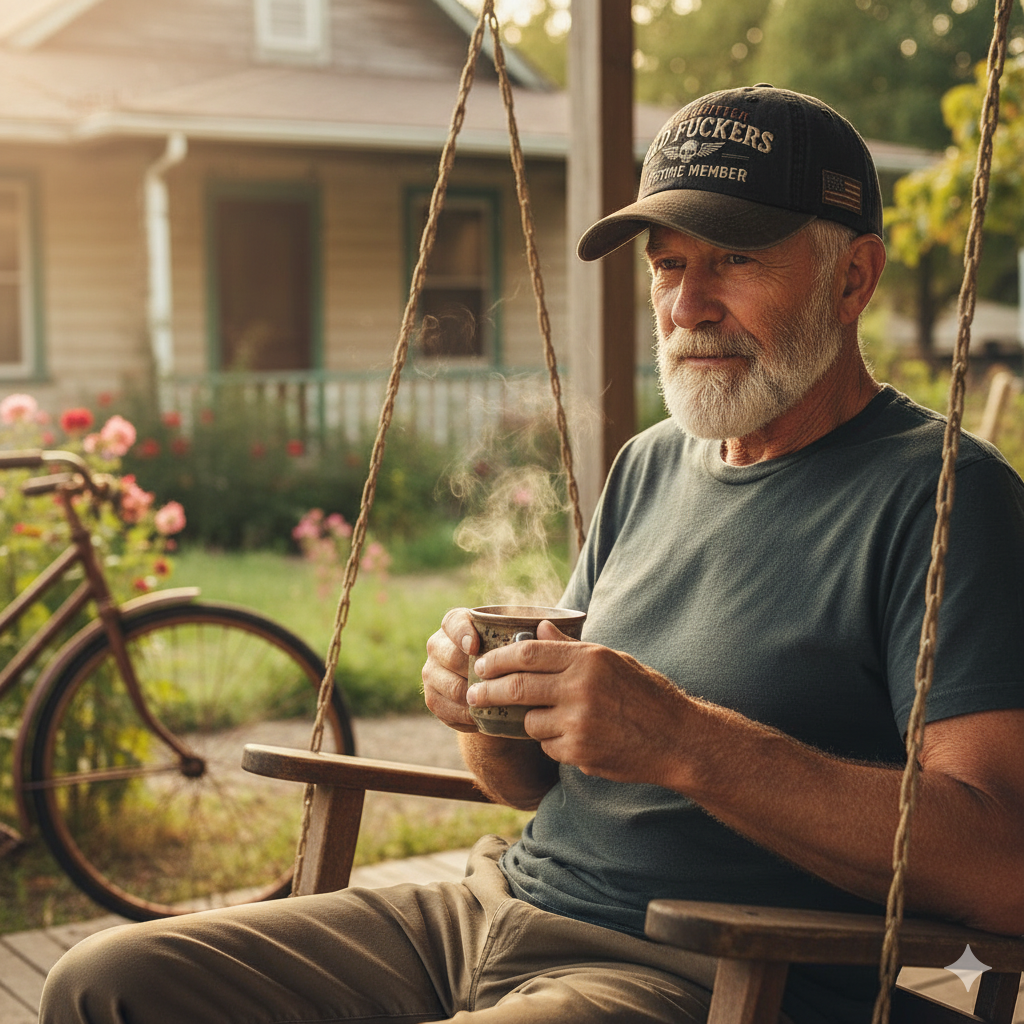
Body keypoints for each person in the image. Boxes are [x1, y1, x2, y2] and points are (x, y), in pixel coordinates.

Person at [41, 85, 1024, 1024]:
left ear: (853, 277)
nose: (687, 305)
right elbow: (529, 785)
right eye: (668, 265)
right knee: (109, 982)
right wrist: (489, 703)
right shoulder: (650, 466)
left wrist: (682, 739)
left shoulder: (943, 497)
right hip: (487, 909)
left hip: (699, 972)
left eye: (732, 261)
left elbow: (1000, 867)